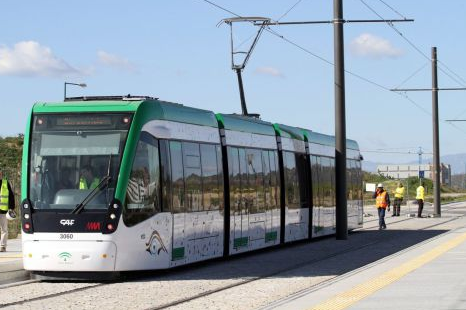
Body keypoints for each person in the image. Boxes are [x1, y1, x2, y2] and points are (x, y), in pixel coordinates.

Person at [0, 171, 16, 252]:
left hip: (3, 211)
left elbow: (11, 196)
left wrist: (11, 208)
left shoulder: (5, 183)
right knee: (4, 229)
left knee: (4, 229)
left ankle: (2, 246)